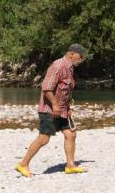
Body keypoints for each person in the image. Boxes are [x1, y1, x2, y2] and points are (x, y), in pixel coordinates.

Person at [15, 44, 86, 177]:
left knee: (71, 134)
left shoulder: (69, 68)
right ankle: (23, 164)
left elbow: (65, 91)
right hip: (49, 109)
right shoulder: (58, 66)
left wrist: (68, 108)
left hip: (62, 110)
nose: (81, 59)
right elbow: (47, 88)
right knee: (44, 139)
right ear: (72, 54)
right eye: (80, 56)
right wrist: (55, 105)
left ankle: (70, 165)